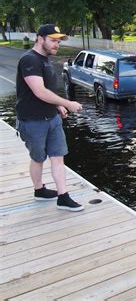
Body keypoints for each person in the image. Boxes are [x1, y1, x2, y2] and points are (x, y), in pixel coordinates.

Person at [16, 24, 84, 212]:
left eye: (58, 41)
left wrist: (58, 105)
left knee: (58, 157)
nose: (57, 44)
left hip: (51, 118)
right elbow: (39, 91)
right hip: (32, 120)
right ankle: (39, 190)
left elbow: (48, 91)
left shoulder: (45, 60)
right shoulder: (29, 60)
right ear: (40, 39)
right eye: (53, 40)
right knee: (38, 158)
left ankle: (63, 196)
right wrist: (68, 103)